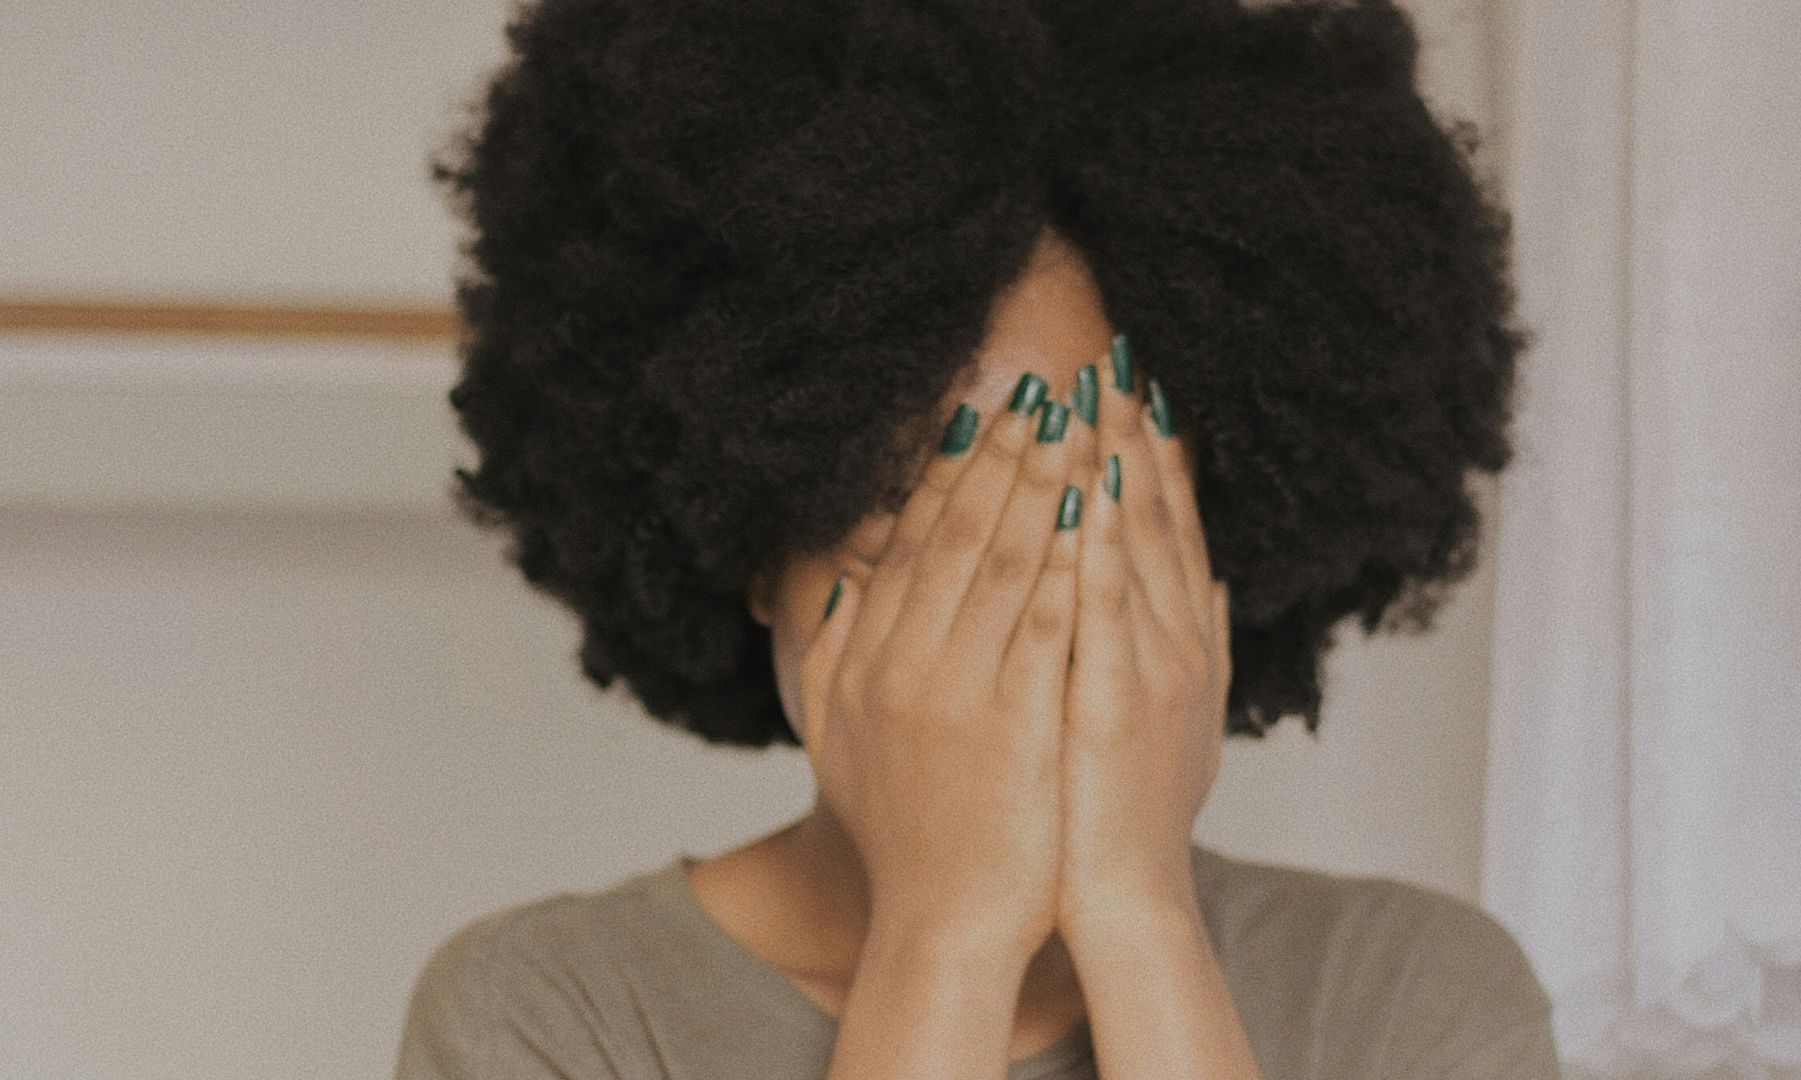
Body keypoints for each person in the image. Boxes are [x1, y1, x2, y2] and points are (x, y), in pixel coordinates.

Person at [396, 0, 1557, 1076]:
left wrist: (1138, 916)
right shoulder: (545, 1014)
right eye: (914, 506)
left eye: (1085, 493)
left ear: (1210, 547)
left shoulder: (1414, 998)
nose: (1007, 596)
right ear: (754, 535)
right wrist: (945, 931)